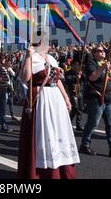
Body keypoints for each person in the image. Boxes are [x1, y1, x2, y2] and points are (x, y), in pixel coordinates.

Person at [17, 35, 80, 179]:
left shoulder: (52, 59)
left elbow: (57, 81)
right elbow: (24, 78)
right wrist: (27, 57)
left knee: (58, 132)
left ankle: (60, 167)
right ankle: (43, 171)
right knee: (45, 133)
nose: (47, 44)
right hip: (41, 98)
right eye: (43, 42)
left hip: (55, 98)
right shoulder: (31, 57)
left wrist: (66, 98)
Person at [79, 46, 111, 160]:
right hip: (96, 97)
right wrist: (102, 67)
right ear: (94, 53)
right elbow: (92, 78)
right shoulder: (92, 64)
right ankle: (85, 145)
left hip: (109, 98)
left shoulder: (107, 64)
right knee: (93, 122)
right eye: (100, 51)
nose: (103, 52)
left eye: (103, 51)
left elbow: (110, 80)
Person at [66, 59, 84, 132]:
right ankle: (68, 123)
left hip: (80, 91)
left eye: (77, 65)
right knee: (75, 108)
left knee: (80, 109)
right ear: (72, 65)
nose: (77, 66)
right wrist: (77, 77)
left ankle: (78, 125)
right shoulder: (68, 72)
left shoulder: (79, 72)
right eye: (75, 65)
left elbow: (85, 80)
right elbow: (68, 80)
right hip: (73, 92)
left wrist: (81, 76)